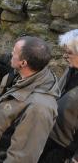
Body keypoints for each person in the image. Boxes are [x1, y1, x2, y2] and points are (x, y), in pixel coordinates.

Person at [0, 36, 60, 162]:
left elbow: (23, 157)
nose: (11, 54)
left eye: (14, 52)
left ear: (23, 63)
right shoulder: (17, 75)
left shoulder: (39, 109)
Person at [39, 29, 78, 163]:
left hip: (65, 146)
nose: (64, 56)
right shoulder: (72, 69)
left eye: (69, 53)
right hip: (50, 133)